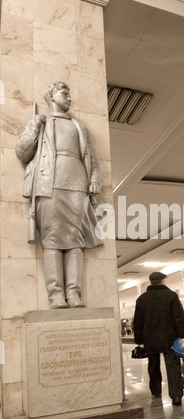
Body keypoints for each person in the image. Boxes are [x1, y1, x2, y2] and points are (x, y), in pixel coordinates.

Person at [15, 81, 102, 309]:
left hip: (77, 184)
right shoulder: (41, 122)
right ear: (52, 97)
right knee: (51, 241)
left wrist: (94, 180)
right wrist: (34, 127)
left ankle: (74, 294)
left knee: (76, 242)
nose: (69, 98)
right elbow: (22, 152)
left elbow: (91, 157)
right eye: (65, 94)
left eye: (69, 94)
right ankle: (55, 295)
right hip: (48, 184)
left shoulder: (78, 126)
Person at [133, 272, 184, 406]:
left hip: (150, 339)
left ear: (150, 282)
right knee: (173, 366)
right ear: (163, 281)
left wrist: (139, 340)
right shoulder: (171, 296)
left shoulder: (142, 299)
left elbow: (137, 322)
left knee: (153, 366)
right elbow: (179, 319)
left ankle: (156, 392)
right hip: (170, 339)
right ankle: (176, 396)